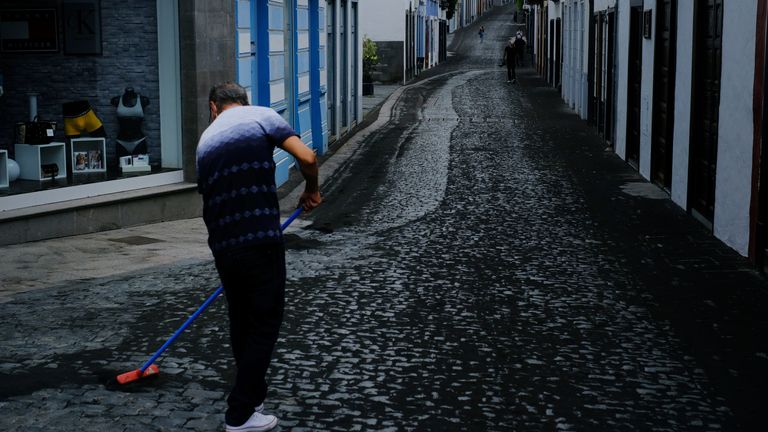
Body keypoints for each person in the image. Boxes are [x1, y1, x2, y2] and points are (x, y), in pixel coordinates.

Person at [196, 82, 322, 432]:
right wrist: (311, 189)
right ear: (243, 102)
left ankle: (253, 395)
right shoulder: (262, 116)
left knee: (241, 322)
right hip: (260, 240)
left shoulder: (204, 142)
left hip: (223, 245)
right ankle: (239, 413)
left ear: (214, 107)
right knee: (265, 324)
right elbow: (307, 157)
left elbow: (208, 193)